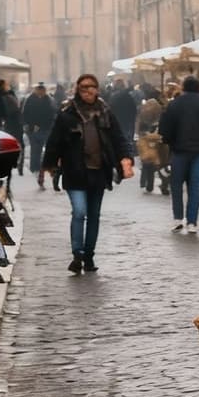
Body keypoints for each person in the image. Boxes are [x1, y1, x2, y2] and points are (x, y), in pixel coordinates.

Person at [38, 74, 135, 274]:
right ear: (78, 89)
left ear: (97, 89)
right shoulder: (67, 114)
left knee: (93, 216)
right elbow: (54, 141)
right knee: (79, 212)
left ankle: (89, 255)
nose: (88, 91)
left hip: (99, 171)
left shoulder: (106, 112)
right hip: (75, 171)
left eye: (91, 87)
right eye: (83, 87)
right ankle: (77, 254)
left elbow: (118, 138)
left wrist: (126, 158)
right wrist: (48, 165)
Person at [159, 75, 199, 235]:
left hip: (179, 151)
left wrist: (169, 142)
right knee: (196, 186)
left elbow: (165, 127)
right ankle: (192, 221)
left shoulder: (175, 104)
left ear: (184, 87)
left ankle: (178, 218)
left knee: (176, 185)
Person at [22, 83, 56, 186]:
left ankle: (45, 167)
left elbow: (52, 114)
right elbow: (26, 114)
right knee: (35, 149)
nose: (41, 92)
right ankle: (35, 168)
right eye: (39, 90)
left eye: (42, 90)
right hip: (34, 129)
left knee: (45, 149)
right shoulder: (31, 100)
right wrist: (30, 126)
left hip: (45, 128)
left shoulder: (48, 100)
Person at [136, 86, 165, 193]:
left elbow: (139, 127)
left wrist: (140, 135)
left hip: (145, 140)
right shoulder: (160, 111)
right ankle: (150, 184)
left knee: (145, 161)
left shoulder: (143, 111)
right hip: (155, 139)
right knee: (152, 162)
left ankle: (144, 181)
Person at [108, 79, 141, 144]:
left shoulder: (113, 96)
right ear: (123, 86)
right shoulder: (128, 96)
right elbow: (133, 109)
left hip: (116, 120)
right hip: (127, 121)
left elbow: (110, 109)